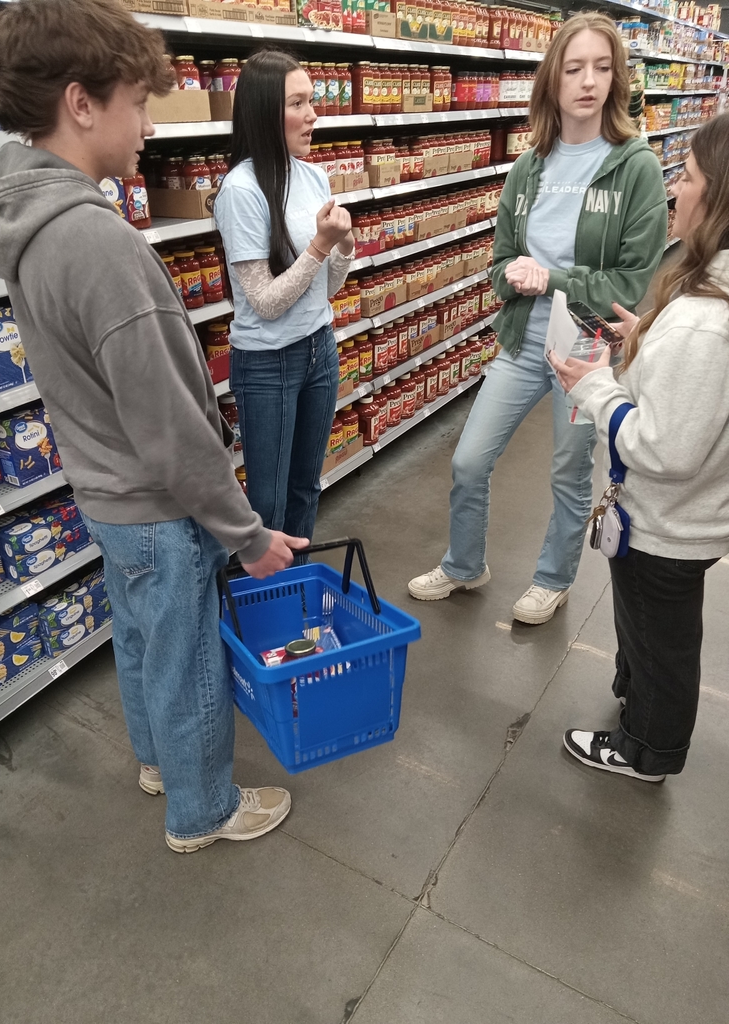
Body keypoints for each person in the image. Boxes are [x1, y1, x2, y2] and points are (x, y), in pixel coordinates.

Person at [0, 0, 308, 853]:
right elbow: (169, 427)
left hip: (104, 490)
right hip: (155, 501)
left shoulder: (29, 223)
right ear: (81, 103)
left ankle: (161, 759)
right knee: (187, 655)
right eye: (137, 104)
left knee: (147, 636)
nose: (151, 126)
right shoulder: (97, 243)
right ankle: (204, 810)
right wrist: (244, 532)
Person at [408, 13, 668, 625]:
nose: (589, 81)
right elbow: (499, 263)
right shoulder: (530, 167)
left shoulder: (636, 166)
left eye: (603, 68)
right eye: (574, 68)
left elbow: (631, 283)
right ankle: (465, 564)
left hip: (589, 349)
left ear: (618, 79)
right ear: (552, 80)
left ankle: (553, 579)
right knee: (469, 459)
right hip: (525, 338)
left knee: (569, 470)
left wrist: (550, 277)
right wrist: (514, 276)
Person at [552, 113, 729, 782]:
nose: (672, 189)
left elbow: (667, 447)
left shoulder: (706, 320)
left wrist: (597, 388)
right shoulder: (705, 293)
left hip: (666, 524)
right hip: (679, 518)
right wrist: (644, 343)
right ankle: (637, 695)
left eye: (685, 177)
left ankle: (647, 749)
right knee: (651, 634)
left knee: (663, 641)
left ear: (718, 198)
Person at [214, 50, 354, 542]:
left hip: (320, 347)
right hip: (268, 361)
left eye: (311, 100)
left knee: (305, 489)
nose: (313, 113)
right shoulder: (241, 190)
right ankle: (265, 603)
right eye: (298, 103)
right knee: (268, 502)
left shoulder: (313, 175)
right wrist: (321, 245)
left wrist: (344, 248)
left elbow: (326, 289)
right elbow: (265, 302)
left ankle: (295, 590)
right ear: (264, 113)